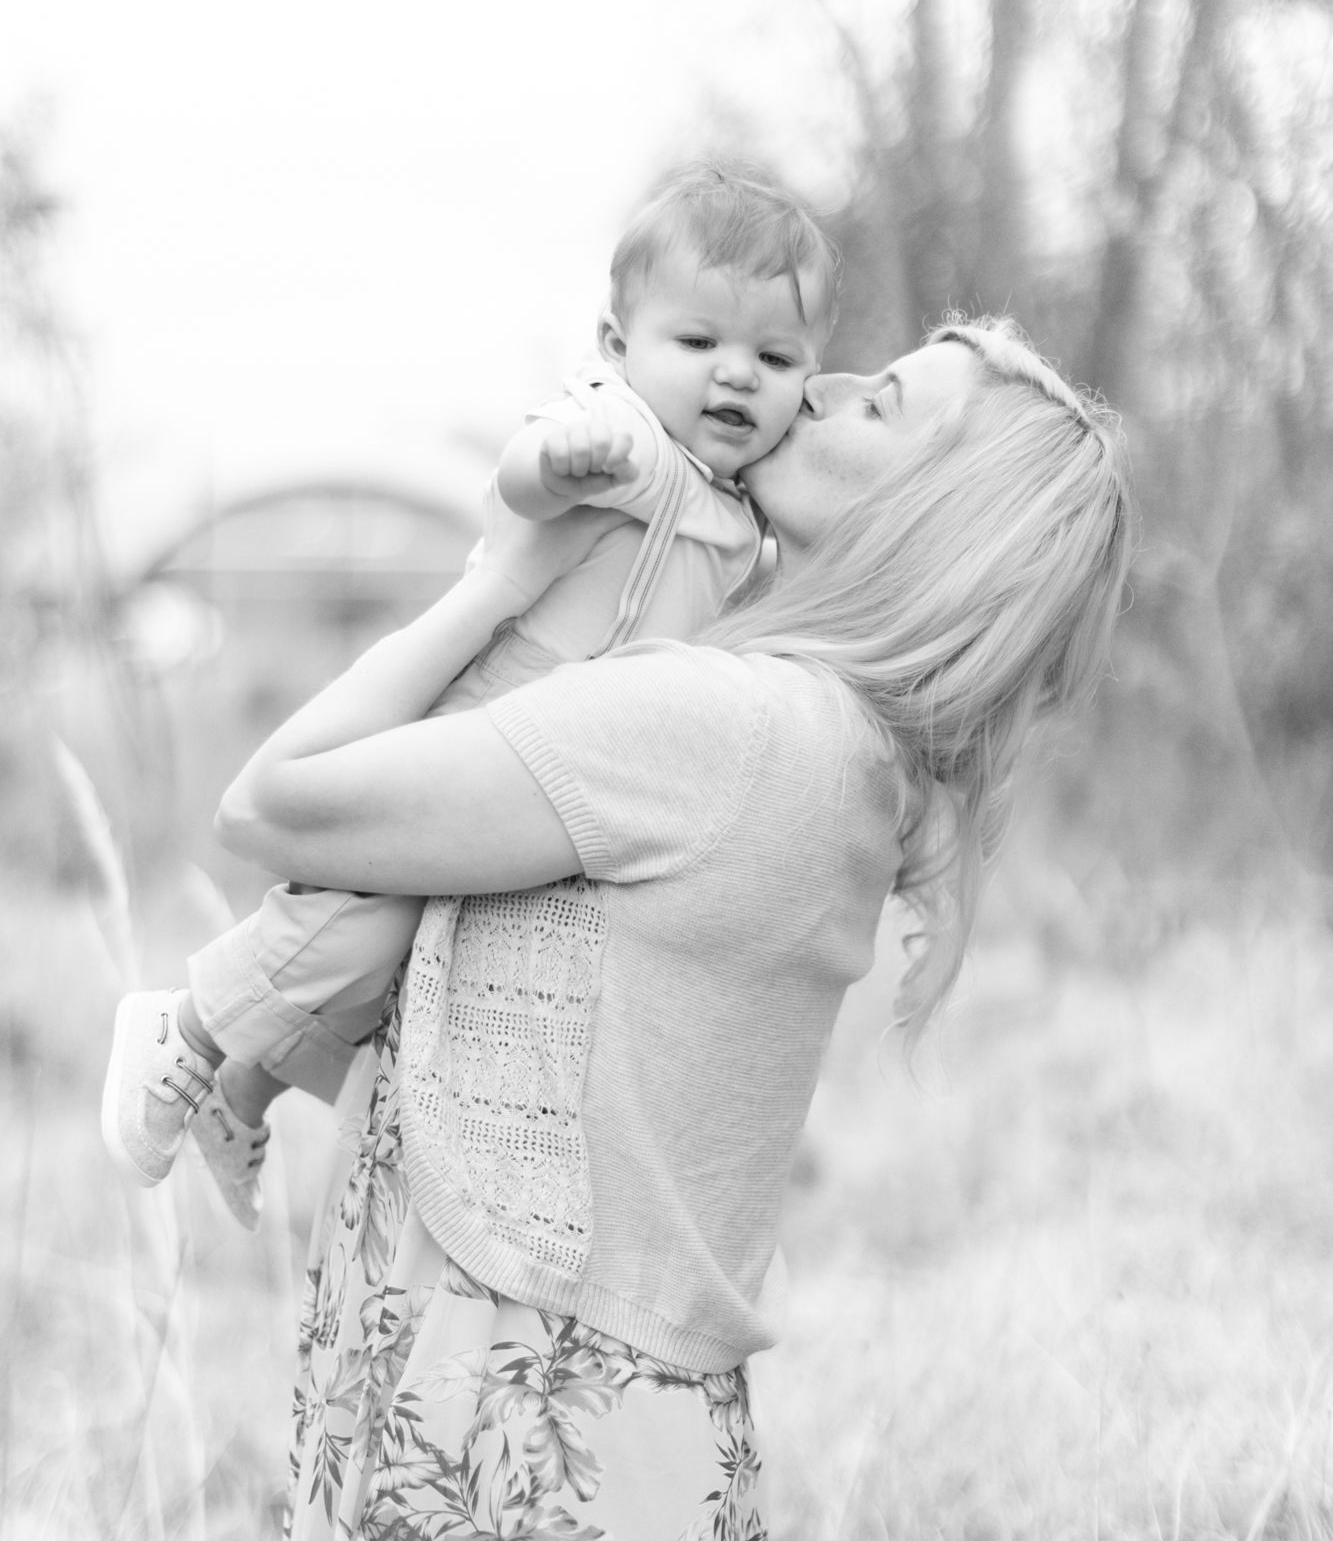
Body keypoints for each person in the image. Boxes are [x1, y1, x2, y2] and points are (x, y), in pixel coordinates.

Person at [197, 316, 1132, 1537]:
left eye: (882, 404)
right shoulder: (850, 757)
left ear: (936, 519)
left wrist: (508, 574)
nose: (823, 384)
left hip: (516, 1443)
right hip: (603, 1442)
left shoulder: (732, 730)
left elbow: (274, 800)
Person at [101, 165, 841, 1229]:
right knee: (370, 919)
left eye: (773, 358)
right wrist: (561, 455)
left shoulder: (740, 519)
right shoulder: (627, 441)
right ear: (618, 341)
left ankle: (243, 1087)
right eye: (698, 343)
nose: (735, 377)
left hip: (560, 773)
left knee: (405, 954)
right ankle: (190, 1024)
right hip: (485, 723)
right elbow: (525, 475)